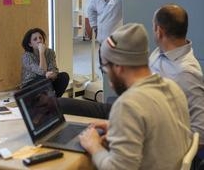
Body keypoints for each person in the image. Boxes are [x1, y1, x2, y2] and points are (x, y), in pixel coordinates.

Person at [78, 23, 192, 170]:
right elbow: (160, 129)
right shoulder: (173, 87)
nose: (108, 78)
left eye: (105, 68)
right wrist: (119, 127)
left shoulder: (127, 105)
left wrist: (93, 146)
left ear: (118, 67)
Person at [149, 4, 204, 166]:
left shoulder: (185, 73)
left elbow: (200, 131)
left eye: (153, 28)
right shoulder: (160, 52)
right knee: (75, 108)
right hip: (141, 110)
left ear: (159, 31)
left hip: (155, 138)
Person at [21, 28, 69, 97]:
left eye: (40, 38)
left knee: (64, 76)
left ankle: (56, 100)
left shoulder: (50, 52)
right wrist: (41, 53)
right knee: (44, 79)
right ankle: (49, 101)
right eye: (35, 39)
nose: (39, 41)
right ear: (30, 44)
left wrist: (53, 74)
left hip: (47, 81)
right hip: (30, 85)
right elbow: (41, 71)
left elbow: (54, 69)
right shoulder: (26, 56)